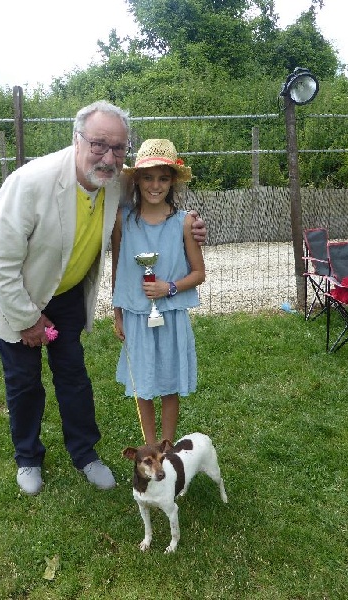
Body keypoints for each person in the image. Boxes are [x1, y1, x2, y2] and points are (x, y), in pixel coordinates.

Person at [0, 102, 207, 496]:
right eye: (99, 144)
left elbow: (154, 207)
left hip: (65, 293)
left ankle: (85, 454)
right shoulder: (29, 183)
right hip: (15, 294)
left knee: (74, 377)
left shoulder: (115, 181)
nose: (109, 156)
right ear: (77, 139)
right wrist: (28, 319)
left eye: (118, 148)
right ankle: (28, 458)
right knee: (23, 381)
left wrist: (193, 226)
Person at [111, 139, 205, 446]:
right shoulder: (122, 220)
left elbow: (198, 273)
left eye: (163, 178)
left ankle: (167, 446)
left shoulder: (185, 222)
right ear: (136, 180)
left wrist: (170, 287)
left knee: (168, 383)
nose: (155, 185)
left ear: (173, 181)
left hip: (171, 315)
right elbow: (118, 268)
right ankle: (149, 446)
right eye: (148, 177)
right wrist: (118, 313)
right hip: (137, 316)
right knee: (144, 383)